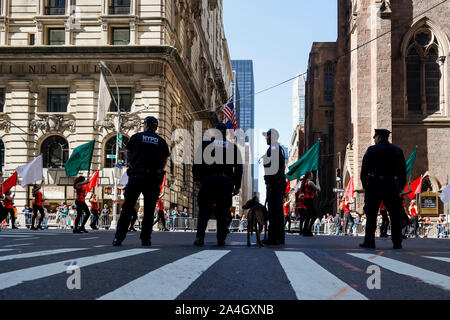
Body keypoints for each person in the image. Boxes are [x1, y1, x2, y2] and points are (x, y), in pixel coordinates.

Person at [113, 116, 170, 246]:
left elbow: (128, 151)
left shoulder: (137, 137)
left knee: (127, 207)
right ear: (156, 127)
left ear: (145, 125)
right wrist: (159, 169)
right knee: (149, 210)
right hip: (153, 179)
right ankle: (146, 239)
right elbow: (165, 159)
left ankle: (118, 238)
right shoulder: (161, 141)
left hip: (136, 176)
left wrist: (131, 164)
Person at [192, 123, 243, 246]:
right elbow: (239, 167)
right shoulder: (233, 147)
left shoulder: (205, 144)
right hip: (225, 182)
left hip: (208, 181)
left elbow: (196, 162)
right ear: (225, 133)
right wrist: (237, 185)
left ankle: (200, 237)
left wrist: (197, 179)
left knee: (204, 210)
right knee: (223, 211)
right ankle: (221, 239)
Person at [360, 129, 406, 249]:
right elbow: (402, 171)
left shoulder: (372, 150)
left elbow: (364, 170)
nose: (374, 140)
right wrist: (400, 187)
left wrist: (366, 186)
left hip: (375, 185)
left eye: (375, 137)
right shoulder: (397, 150)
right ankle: (397, 242)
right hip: (391, 184)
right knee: (395, 215)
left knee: (371, 215)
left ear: (379, 137)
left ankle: (369, 241)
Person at [261, 129, 287, 245]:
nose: (266, 138)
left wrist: (269, 182)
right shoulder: (278, 148)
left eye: (268, 136)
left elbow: (272, 168)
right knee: (278, 210)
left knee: (273, 211)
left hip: (275, 183)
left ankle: (272, 238)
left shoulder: (273, 149)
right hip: (279, 182)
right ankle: (279, 237)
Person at [299, 171, 320, 237]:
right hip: (309, 200)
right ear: (309, 176)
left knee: (309, 216)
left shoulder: (305, 182)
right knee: (314, 215)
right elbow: (318, 189)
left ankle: (306, 230)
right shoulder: (310, 182)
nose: (312, 175)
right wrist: (317, 182)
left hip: (307, 200)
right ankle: (308, 230)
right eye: (312, 174)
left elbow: (314, 192)